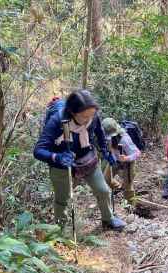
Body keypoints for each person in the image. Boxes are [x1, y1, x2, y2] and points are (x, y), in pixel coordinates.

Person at [34, 89, 126, 231]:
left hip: (87, 158)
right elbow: (38, 150)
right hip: (61, 164)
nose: (89, 119)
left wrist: (105, 151)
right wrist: (57, 157)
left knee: (103, 190)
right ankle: (60, 231)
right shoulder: (57, 121)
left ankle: (108, 219)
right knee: (62, 200)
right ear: (72, 112)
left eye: (92, 115)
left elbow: (99, 132)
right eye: (84, 116)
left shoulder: (92, 116)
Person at [102, 118, 141, 203]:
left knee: (128, 188)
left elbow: (137, 153)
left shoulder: (125, 139)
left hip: (128, 163)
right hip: (114, 160)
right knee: (106, 178)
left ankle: (131, 207)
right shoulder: (108, 137)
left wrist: (126, 158)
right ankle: (119, 188)